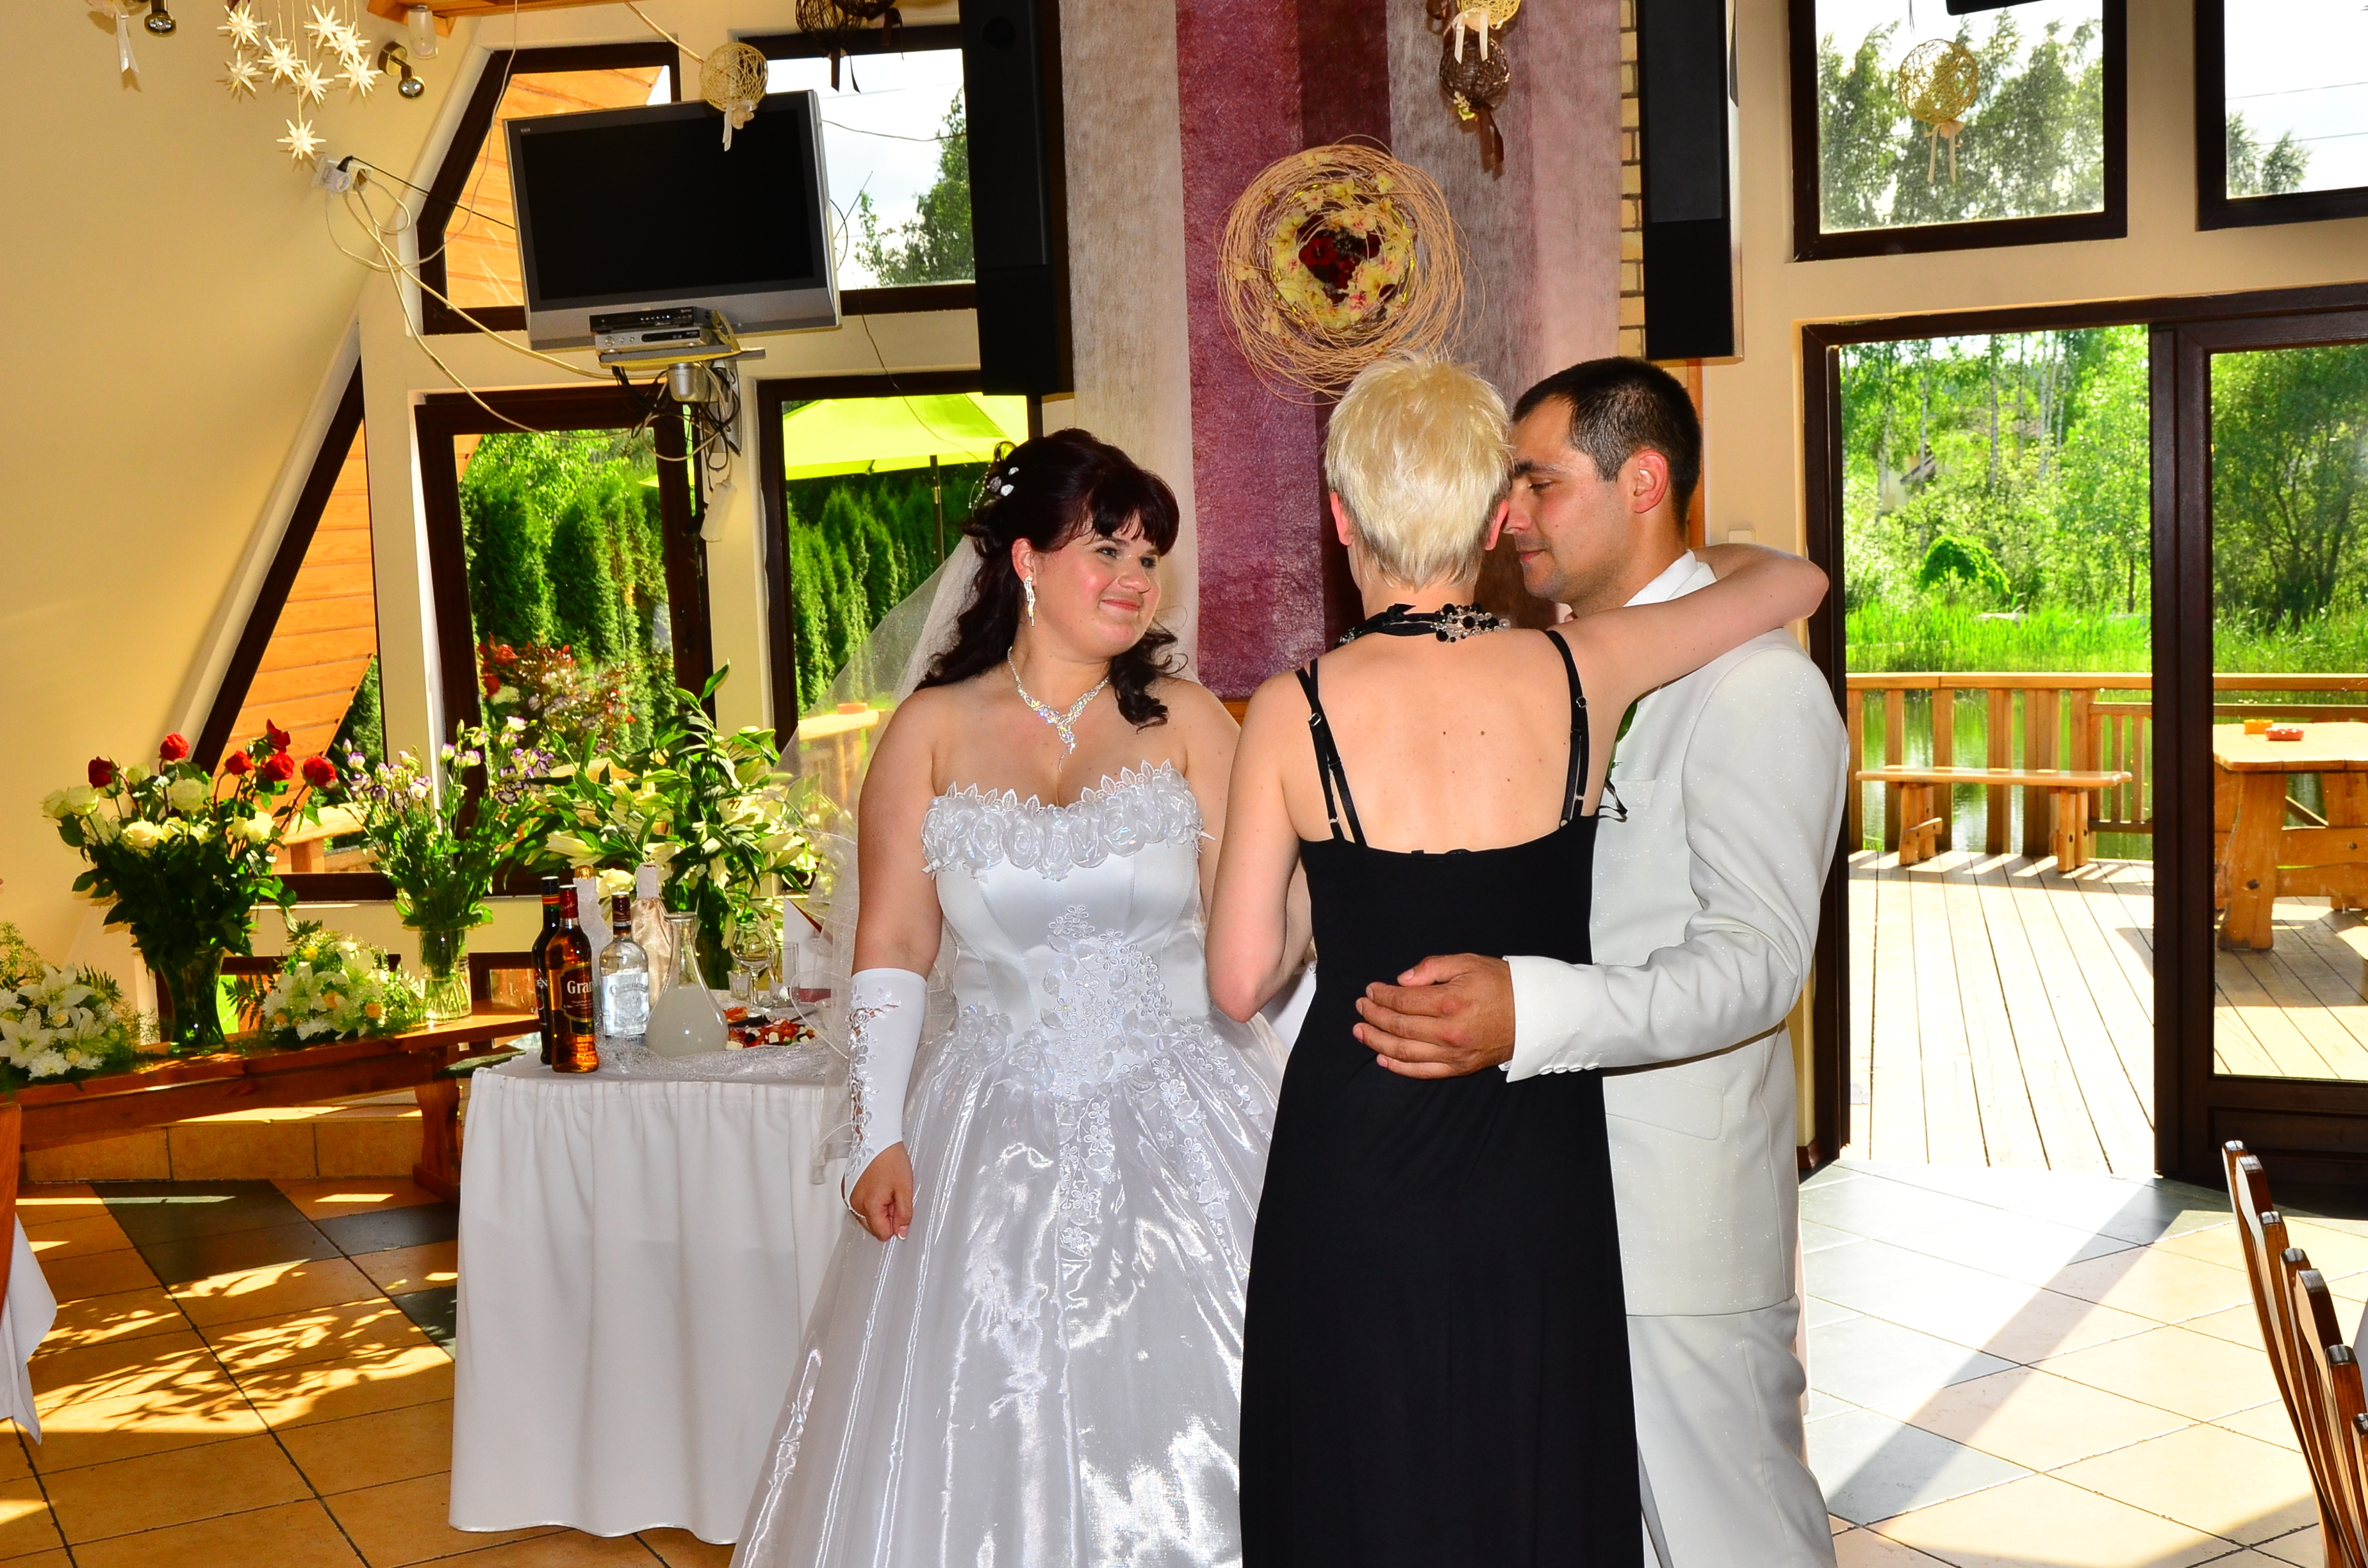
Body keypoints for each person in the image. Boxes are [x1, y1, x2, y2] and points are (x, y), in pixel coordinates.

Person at [1205, 354, 1828, 1568]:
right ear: (1491, 519)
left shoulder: (1295, 706)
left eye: (1549, 485)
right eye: (1520, 490)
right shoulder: (1587, 667)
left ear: (1341, 518)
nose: (1531, 515)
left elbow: (1240, 980)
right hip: (1536, 1156)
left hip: (1367, 1143)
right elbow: (1795, 578)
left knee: (1373, 1473)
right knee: (1524, 1468)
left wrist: (1332, 873)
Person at [733, 430, 1290, 1568]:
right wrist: (874, 1134)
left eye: (1149, 557)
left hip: (1188, 1110)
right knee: (981, 1418)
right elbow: (893, 942)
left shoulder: (1190, 721)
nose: (1135, 580)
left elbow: (1262, 931)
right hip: (989, 1122)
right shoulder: (930, 732)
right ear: (1028, 560)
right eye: (1107, 550)